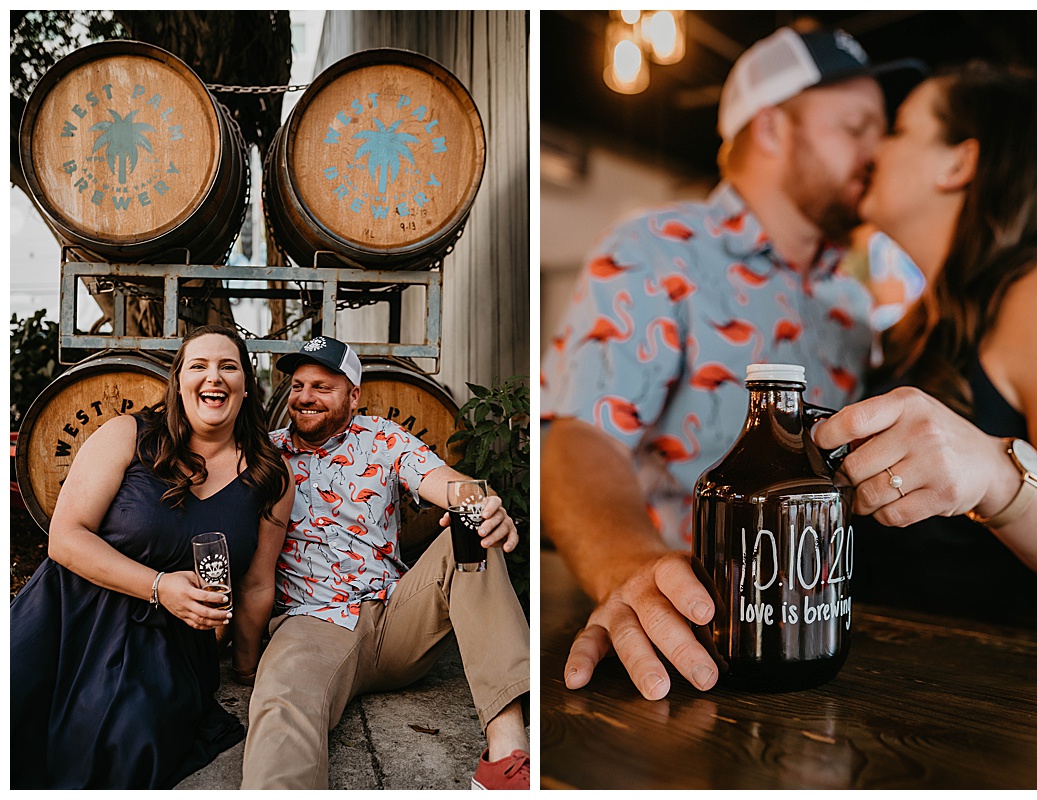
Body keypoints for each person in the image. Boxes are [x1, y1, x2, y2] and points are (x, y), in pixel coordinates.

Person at [545, 27, 922, 700]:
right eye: (856, 126)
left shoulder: (852, 301)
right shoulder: (657, 249)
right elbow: (578, 436)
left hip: (815, 641)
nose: (878, 151)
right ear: (774, 127)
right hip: (683, 640)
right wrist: (629, 567)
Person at [809, 61, 1037, 630]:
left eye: (896, 128)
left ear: (958, 162)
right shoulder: (924, 313)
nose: (874, 147)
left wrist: (995, 475)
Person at [239, 336, 529, 790]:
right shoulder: (265, 456)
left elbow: (450, 485)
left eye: (321, 386)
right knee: (281, 704)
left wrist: (485, 503)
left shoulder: (382, 439)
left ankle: (508, 755)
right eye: (297, 386)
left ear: (354, 395)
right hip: (312, 626)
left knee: (473, 522)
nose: (305, 397)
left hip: (397, 617)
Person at [11, 326, 293, 789]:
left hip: (169, 643)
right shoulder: (128, 434)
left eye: (228, 366)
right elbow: (64, 537)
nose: (213, 377)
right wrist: (161, 587)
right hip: (70, 613)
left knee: (122, 743)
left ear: (247, 382)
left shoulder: (270, 476)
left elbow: (257, 583)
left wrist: (245, 669)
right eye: (198, 366)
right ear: (178, 381)